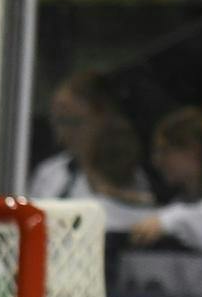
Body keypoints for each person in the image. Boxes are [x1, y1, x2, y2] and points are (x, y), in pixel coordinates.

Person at [28, 69, 158, 231]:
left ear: (102, 118)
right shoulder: (50, 173)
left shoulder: (133, 175)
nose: (63, 134)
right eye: (58, 122)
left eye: (74, 122)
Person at [131, 107, 202, 253]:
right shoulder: (174, 207)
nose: (157, 161)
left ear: (193, 150)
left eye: (165, 151)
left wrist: (168, 221)